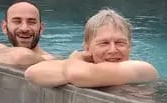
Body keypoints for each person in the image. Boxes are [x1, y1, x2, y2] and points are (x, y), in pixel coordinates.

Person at [24, 8, 158, 89]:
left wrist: (74, 60)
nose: (113, 50)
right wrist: (75, 66)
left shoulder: (142, 69)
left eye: (120, 43)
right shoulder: (82, 66)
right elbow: (32, 73)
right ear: (87, 48)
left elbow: (78, 75)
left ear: (130, 46)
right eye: (104, 43)